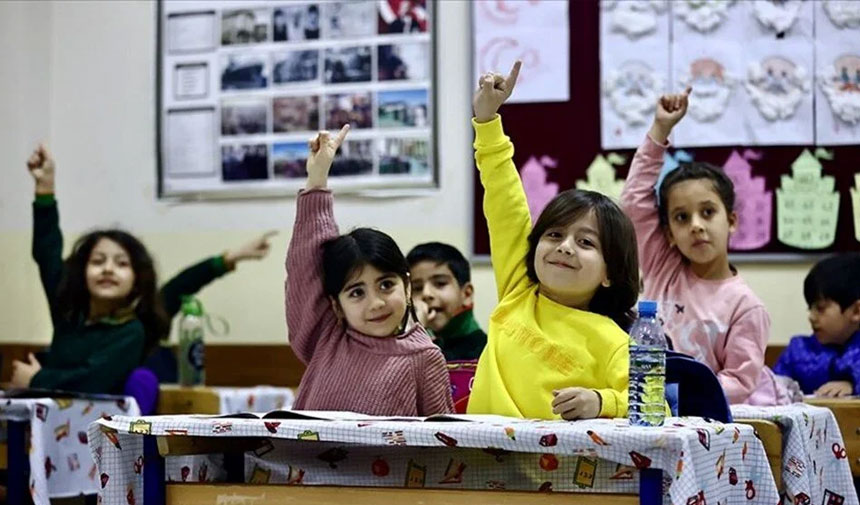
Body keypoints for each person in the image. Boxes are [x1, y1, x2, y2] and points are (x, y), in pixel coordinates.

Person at [467, 62, 639, 420]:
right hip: (476, 465)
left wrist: (601, 401)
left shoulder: (613, 341)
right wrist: (487, 122)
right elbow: (505, 201)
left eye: (586, 243)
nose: (565, 247)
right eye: (555, 234)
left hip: (552, 475)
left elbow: (657, 407)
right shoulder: (519, 290)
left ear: (610, 273)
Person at [285, 125, 453, 415]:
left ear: (408, 287)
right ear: (336, 306)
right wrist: (317, 180)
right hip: (302, 462)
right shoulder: (327, 337)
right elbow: (306, 267)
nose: (375, 303)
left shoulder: (424, 358)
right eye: (356, 292)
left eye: (386, 285)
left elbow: (442, 443)